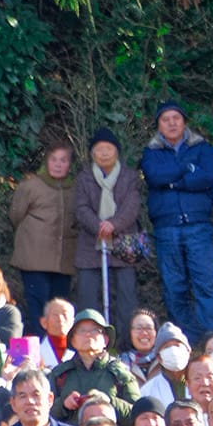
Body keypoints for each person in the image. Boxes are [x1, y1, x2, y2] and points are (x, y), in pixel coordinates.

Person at [142, 102, 213, 341]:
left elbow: (207, 177)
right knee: (174, 285)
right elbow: (155, 177)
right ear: (158, 125)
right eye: (165, 119)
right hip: (167, 227)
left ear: (184, 121)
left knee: (206, 282)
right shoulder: (151, 151)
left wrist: (173, 180)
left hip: (198, 224)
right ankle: (185, 338)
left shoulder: (200, 147)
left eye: (176, 117)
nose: (171, 123)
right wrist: (187, 171)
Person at [74, 128, 142, 341]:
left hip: (124, 241)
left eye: (108, 148)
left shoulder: (129, 177)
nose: (104, 153)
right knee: (88, 294)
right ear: (92, 153)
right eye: (99, 149)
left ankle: (125, 344)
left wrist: (114, 224)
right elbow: (80, 207)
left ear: (117, 152)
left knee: (126, 295)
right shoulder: (84, 178)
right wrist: (98, 226)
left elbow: (132, 205)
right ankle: (90, 340)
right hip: (90, 242)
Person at [9, 144, 77, 325]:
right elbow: (16, 215)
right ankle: (38, 348)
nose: (58, 164)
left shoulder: (74, 188)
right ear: (46, 161)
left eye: (63, 160)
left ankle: (58, 349)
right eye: (53, 159)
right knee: (38, 308)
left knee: (60, 308)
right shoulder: (31, 185)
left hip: (63, 261)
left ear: (70, 164)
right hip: (34, 259)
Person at [49, 309, 140, 426]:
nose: (88, 334)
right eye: (82, 330)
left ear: (105, 340)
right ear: (73, 340)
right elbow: (44, 415)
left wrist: (109, 402)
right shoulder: (59, 374)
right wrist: (63, 405)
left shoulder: (121, 373)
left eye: (95, 330)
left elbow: (138, 416)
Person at [138, 323, 192, 409]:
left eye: (177, 345)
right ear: (159, 357)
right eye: (167, 347)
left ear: (188, 351)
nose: (173, 351)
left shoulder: (201, 382)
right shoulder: (148, 391)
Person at [120, 309, 162, 384]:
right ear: (129, 333)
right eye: (139, 328)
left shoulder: (165, 362)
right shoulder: (119, 365)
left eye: (149, 328)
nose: (144, 333)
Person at [36, 298, 75, 369]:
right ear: (44, 322)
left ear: (73, 322)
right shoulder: (35, 352)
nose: (60, 318)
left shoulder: (81, 350)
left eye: (64, 314)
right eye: (55, 315)